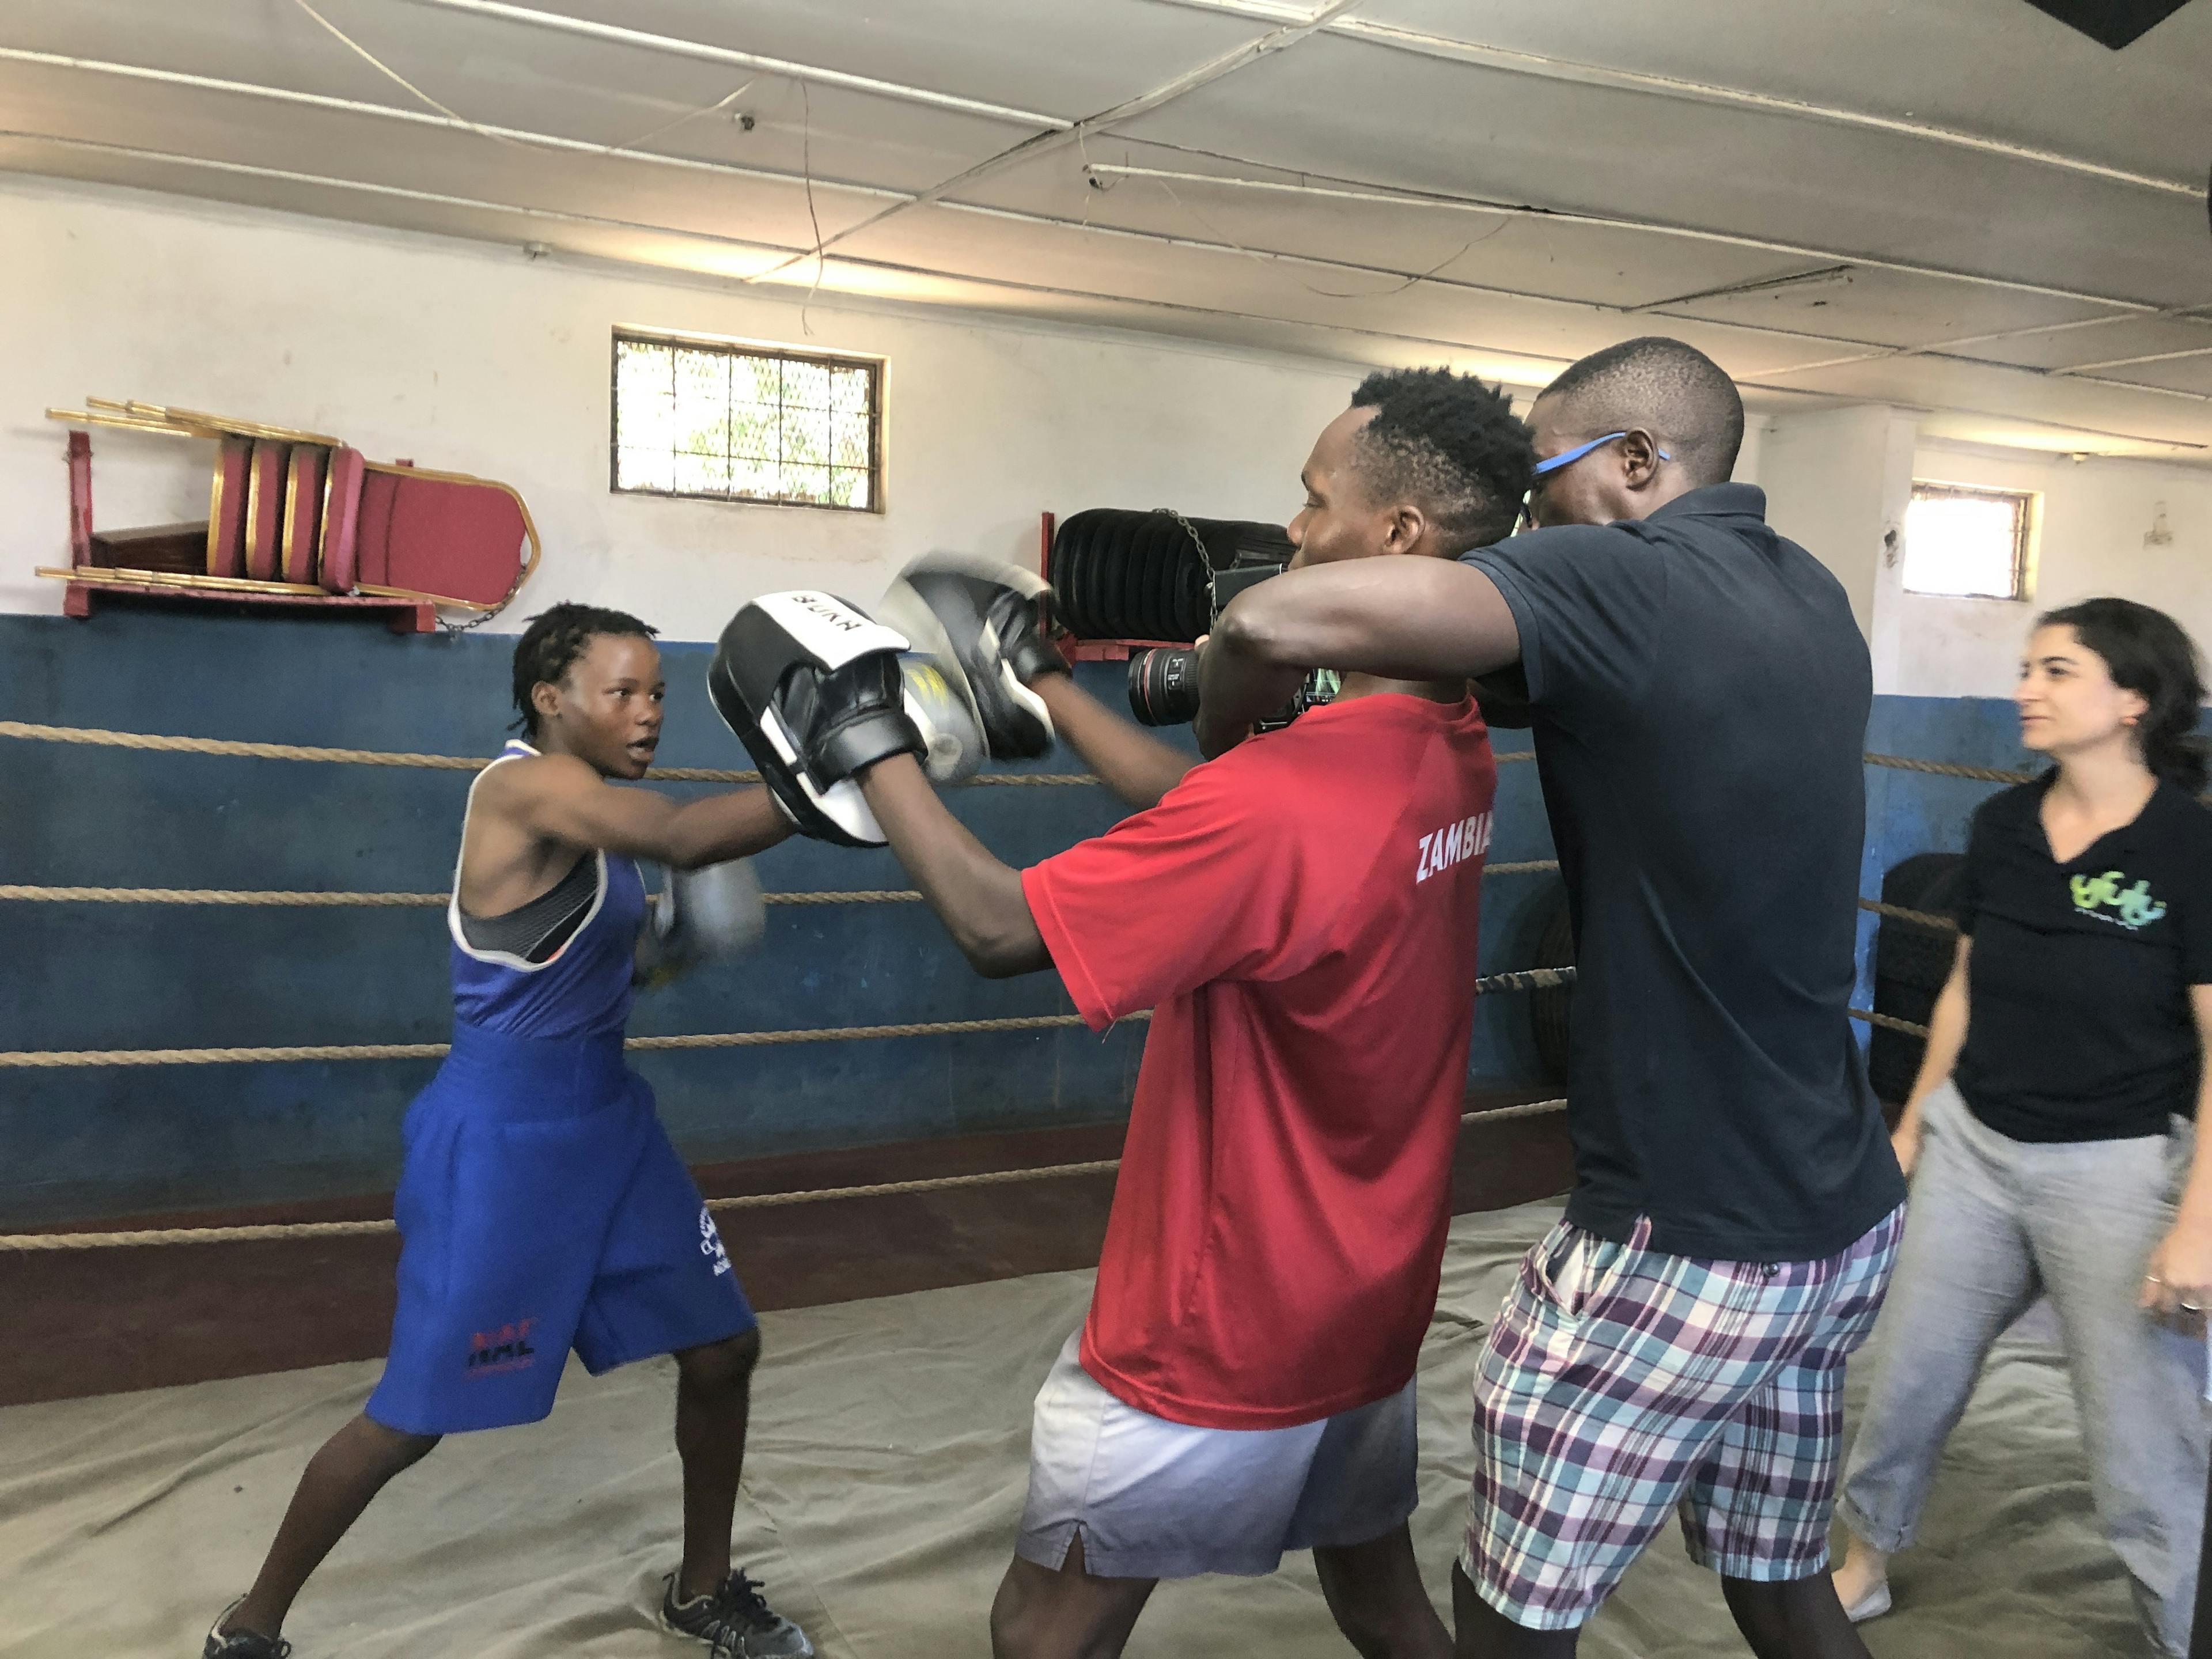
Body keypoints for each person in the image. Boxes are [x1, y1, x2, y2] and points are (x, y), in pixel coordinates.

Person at [710, 366, 1534, 1659]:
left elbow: (997, 927)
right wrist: (1052, 688)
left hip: (1223, 1313)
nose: (1297, 533)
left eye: (1316, 504)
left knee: (1045, 1629)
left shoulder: (1289, 802)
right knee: (1377, 1593)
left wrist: (862, 737)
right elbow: (1218, 823)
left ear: (1398, 540)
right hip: (1369, 1285)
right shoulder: (1452, 740)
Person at [1196, 336, 1908, 1659]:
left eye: (1540, 486)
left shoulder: (1623, 575)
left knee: (1511, 1610)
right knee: (1778, 1576)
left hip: (1679, 1236)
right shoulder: (1806, 585)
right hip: (1838, 1213)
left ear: (1638, 465)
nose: (1524, 525)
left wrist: (1224, 746)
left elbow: (1266, 622)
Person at [205, 604, 814, 1659]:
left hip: (610, 1128)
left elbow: (587, 958)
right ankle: (250, 1626)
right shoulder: (526, 787)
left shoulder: (592, 814)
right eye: (621, 693)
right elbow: (678, 836)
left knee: (723, 1348)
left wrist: (667, 948)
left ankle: (702, 1591)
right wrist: (844, 775)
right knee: (411, 1418)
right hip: (504, 1143)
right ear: (550, 698)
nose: (647, 713)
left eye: (657, 693)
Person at [1831, 599, 2212, 1657]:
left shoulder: (2190, 846)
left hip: (2121, 1168)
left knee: (2145, 1438)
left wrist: (2197, 1220)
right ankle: (1861, 1569)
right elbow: (1961, 987)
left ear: (2133, 701)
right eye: (2026, 668)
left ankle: (2176, 1630)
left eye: (2055, 671)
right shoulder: (2003, 825)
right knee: (1905, 1379)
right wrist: (1915, 1128)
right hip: (1978, 1150)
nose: (2025, 690)